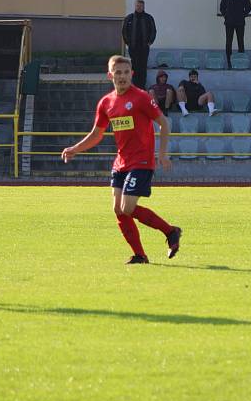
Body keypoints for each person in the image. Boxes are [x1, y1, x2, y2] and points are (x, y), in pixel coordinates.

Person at [62, 55, 181, 264]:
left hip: (142, 161)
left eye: (126, 72)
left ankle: (170, 231)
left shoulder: (142, 97)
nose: (122, 76)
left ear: (132, 74)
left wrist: (162, 154)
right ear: (110, 75)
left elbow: (164, 123)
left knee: (127, 208)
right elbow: (97, 134)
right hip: (121, 162)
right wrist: (75, 148)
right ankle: (140, 255)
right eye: (118, 72)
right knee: (118, 209)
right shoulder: (106, 102)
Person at [122, 0, 157, 89]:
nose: (139, 7)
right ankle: (134, 86)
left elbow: (153, 31)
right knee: (134, 66)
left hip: (144, 47)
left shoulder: (148, 18)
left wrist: (150, 42)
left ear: (143, 7)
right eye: (137, 6)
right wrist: (127, 42)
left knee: (142, 67)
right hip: (133, 47)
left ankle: (142, 87)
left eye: (141, 6)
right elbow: (124, 31)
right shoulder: (129, 18)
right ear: (135, 6)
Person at [219, 0, 251, 68]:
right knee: (228, 42)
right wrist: (226, 16)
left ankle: (241, 63)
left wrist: (243, 16)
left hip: (240, 22)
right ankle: (229, 63)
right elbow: (222, 7)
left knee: (240, 42)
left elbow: (248, 7)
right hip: (229, 22)